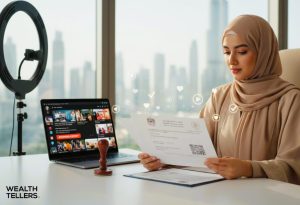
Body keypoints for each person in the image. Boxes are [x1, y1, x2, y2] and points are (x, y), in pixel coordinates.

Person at [138, 15, 300, 185]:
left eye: (242, 52)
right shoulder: (219, 97)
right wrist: (163, 160)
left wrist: (248, 168)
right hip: (220, 195)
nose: (232, 61)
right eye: (227, 52)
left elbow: (294, 167)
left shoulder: (291, 101)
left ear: (264, 52)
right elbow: (196, 150)